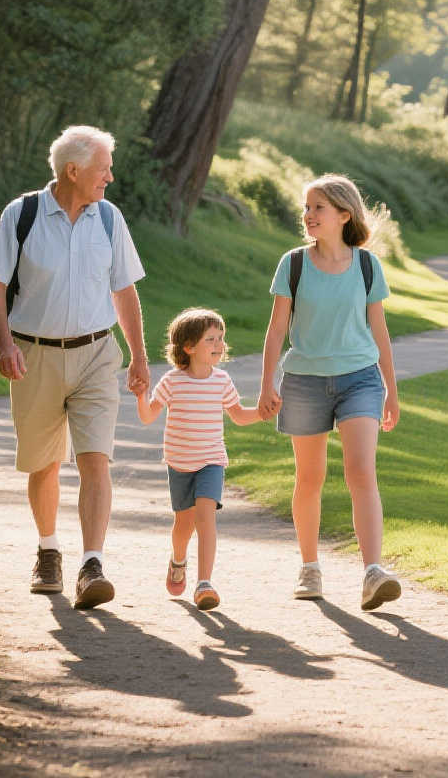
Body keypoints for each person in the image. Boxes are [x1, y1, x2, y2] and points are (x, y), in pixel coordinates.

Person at [0, 125, 152, 610]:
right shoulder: (23, 214)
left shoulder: (110, 219)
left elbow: (124, 290)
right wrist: (5, 345)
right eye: (103, 169)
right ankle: (49, 550)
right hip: (33, 355)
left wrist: (138, 356)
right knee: (45, 462)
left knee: (96, 458)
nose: (110, 178)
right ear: (72, 171)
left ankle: (92, 562)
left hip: (97, 353)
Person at [254, 175, 404, 610]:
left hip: (360, 377)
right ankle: (310, 567)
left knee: (361, 472)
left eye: (318, 207)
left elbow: (379, 330)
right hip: (304, 381)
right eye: (306, 207)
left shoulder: (367, 265)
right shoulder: (293, 264)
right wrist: (267, 382)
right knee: (310, 477)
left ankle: (372, 572)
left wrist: (391, 391)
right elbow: (277, 328)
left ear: (344, 214)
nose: (308, 215)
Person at [137, 308, 267, 611]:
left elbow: (238, 415)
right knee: (184, 522)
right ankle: (178, 560)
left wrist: (263, 412)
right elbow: (147, 416)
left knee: (205, 516)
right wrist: (140, 395)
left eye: (221, 338)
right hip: (180, 462)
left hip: (211, 460)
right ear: (189, 346)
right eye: (211, 339)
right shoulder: (172, 381)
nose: (219, 345)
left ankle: (204, 582)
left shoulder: (222, 380)